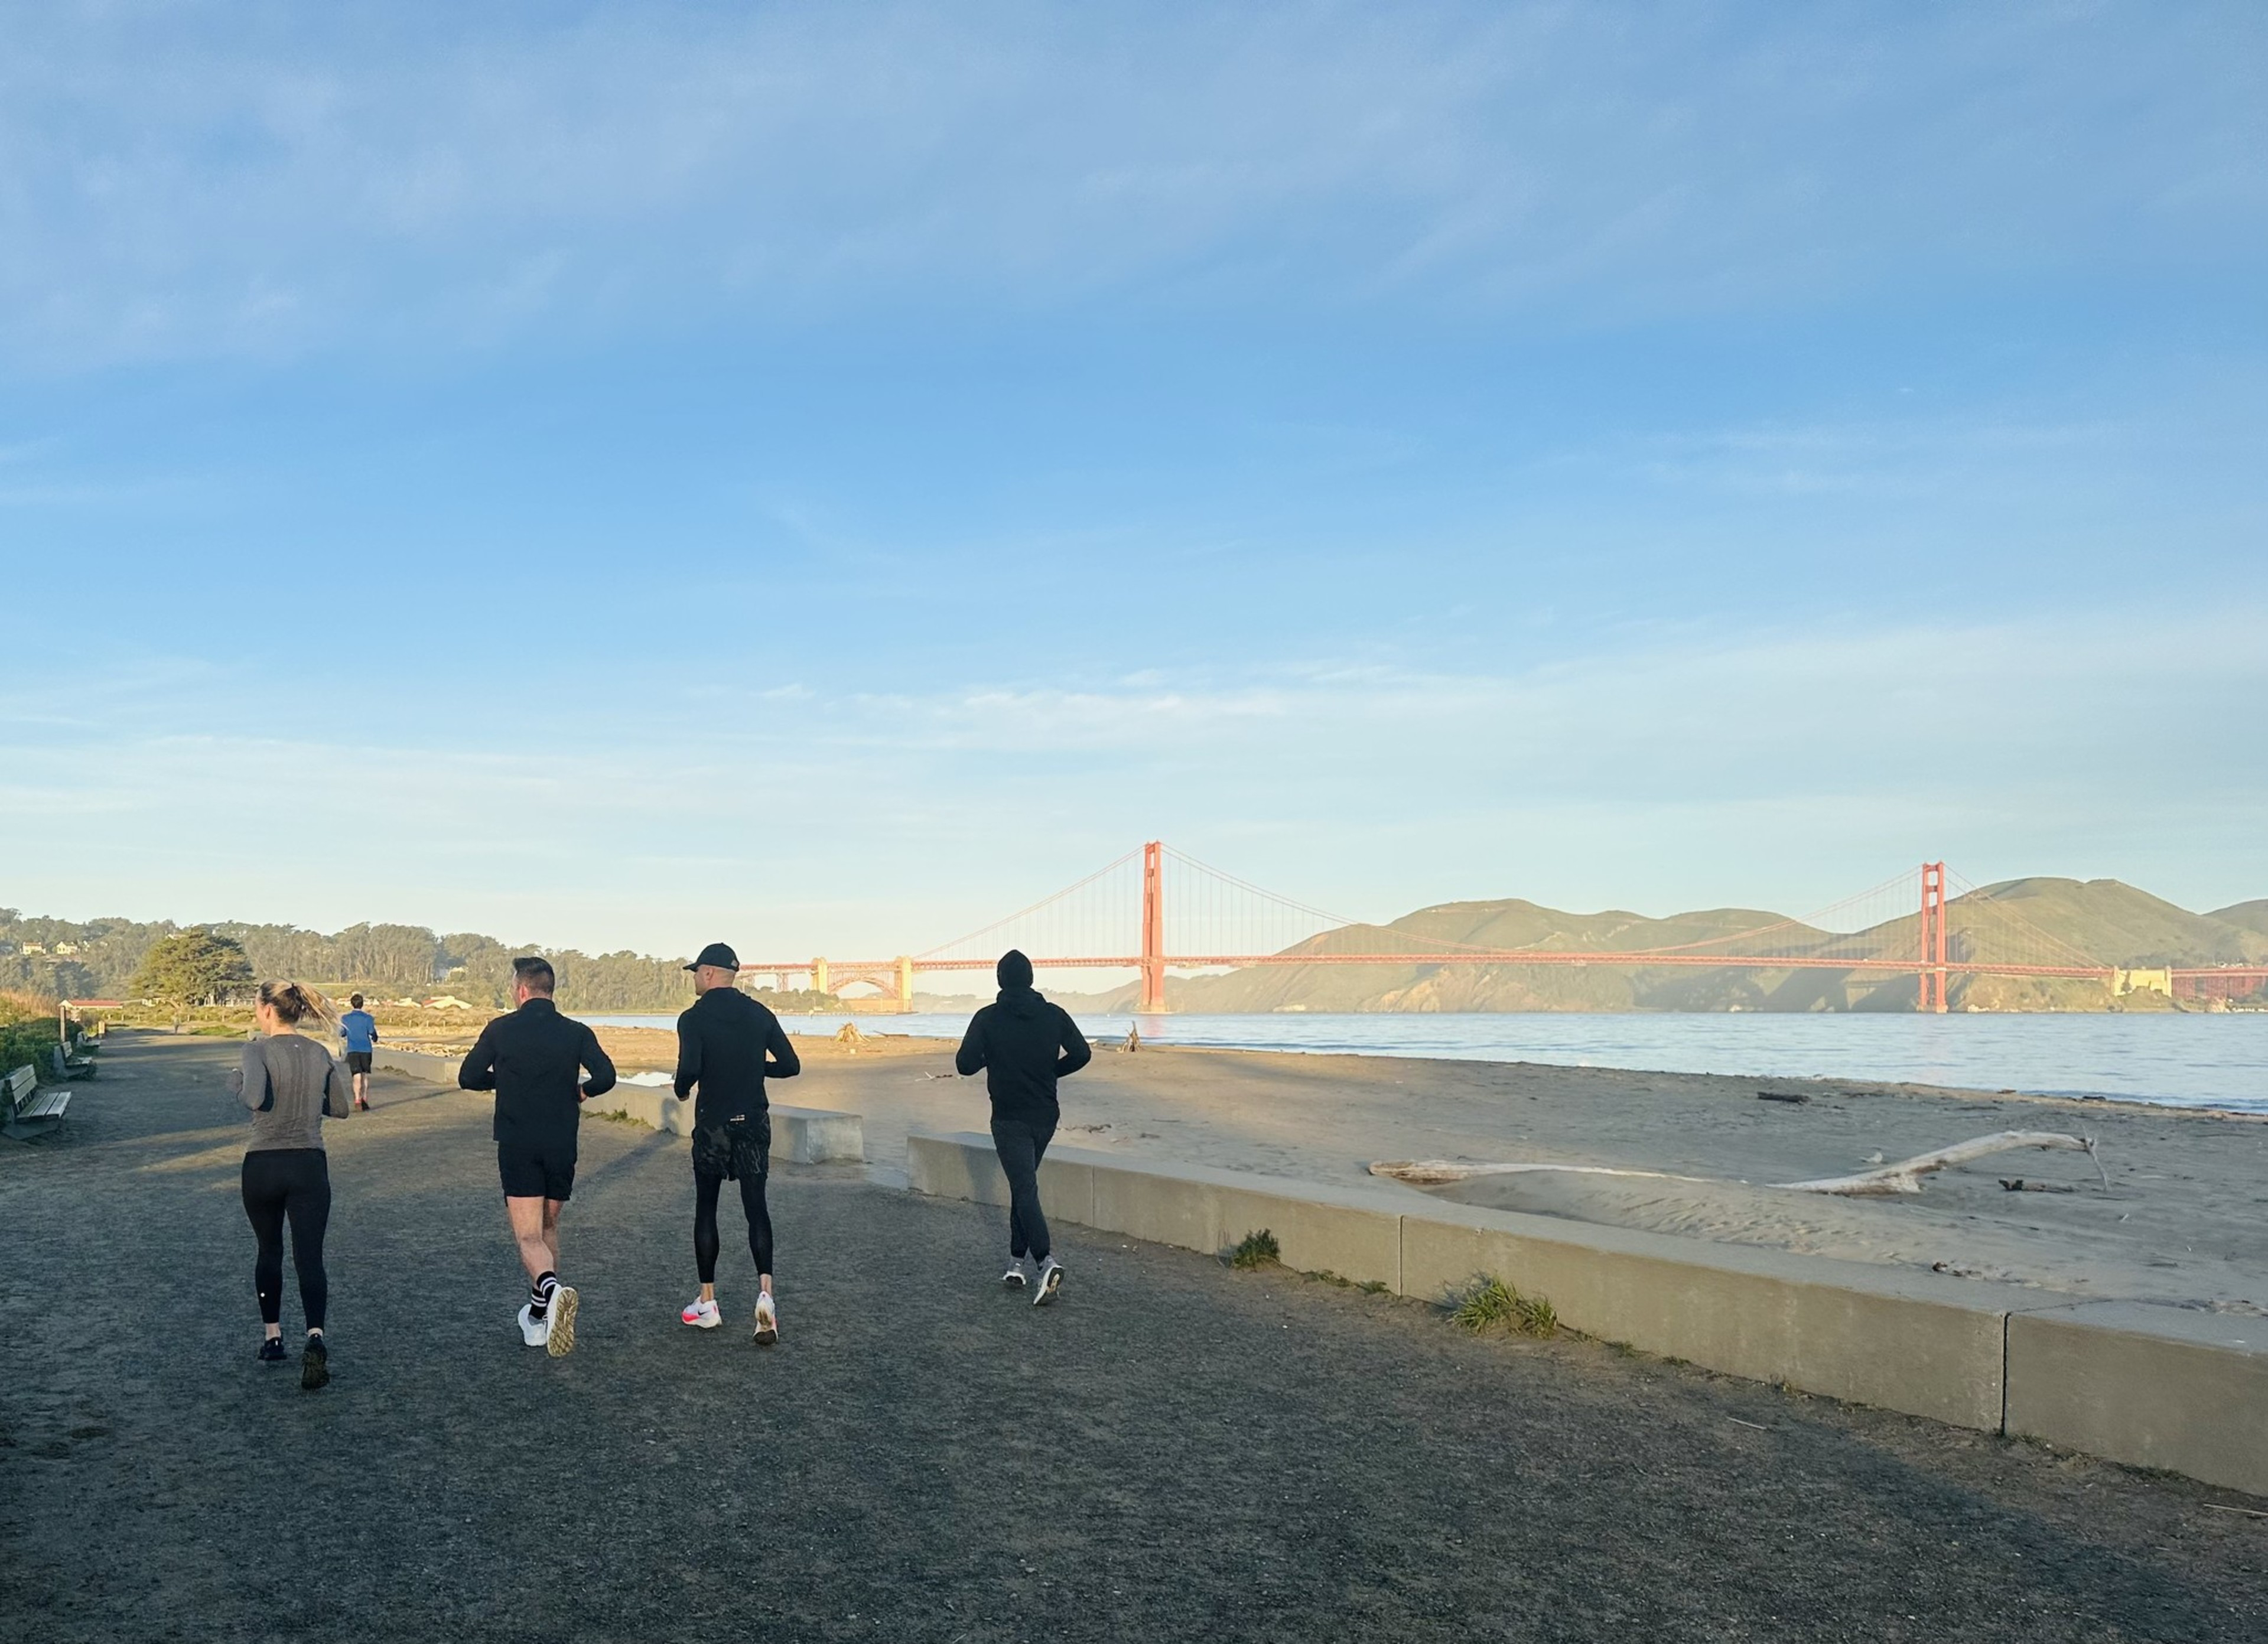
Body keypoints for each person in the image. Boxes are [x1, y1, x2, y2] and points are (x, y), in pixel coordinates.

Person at [458, 957, 617, 1356]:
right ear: (550, 989)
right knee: (548, 1228)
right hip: (563, 1142)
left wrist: (504, 1080)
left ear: (522, 989)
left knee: (527, 1235)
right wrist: (582, 1090)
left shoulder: (501, 1029)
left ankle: (551, 1289)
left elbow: (468, 1076)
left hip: (520, 1141)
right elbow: (607, 1075)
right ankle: (539, 1316)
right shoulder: (576, 1031)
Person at [673, 942, 802, 1344]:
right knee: (756, 1209)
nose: (694, 978)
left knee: (706, 1208)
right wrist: (752, 1065)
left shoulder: (692, 1018)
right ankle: (766, 1295)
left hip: (713, 1125)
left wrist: (680, 1089)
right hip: (752, 1123)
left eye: (696, 971)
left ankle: (707, 1302)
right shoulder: (759, 1013)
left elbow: (689, 1069)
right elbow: (791, 1065)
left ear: (709, 973)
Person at [231, 980, 352, 1390]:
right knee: (310, 1256)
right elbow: (340, 1108)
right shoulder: (319, 1052)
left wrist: (235, 1081)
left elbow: (252, 1097)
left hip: (263, 1162)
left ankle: (273, 1336)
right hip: (309, 1163)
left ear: (267, 1009)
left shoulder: (256, 1049)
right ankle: (315, 1336)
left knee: (269, 1249)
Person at [955, 949, 1092, 1306]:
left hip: (1009, 1117)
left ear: (1000, 980)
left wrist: (994, 1060)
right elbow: (1082, 1054)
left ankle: (1046, 1261)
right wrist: (1050, 1072)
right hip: (1046, 1115)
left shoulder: (987, 1018)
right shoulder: (1054, 1015)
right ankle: (1017, 1262)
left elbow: (965, 1065)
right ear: (1032, 979)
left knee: (1025, 1187)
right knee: (1024, 1184)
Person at [338, 992, 378, 1111]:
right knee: (364, 1076)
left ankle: (357, 1100)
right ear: (362, 1004)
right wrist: (375, 1038)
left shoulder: (345, 1019)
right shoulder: (368, 1018)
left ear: (352, 1004)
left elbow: (342, 1033)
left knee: (356, 1076)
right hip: (366, 1049)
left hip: (353, 1050)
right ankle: (364, 1098)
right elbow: (372, 1032)